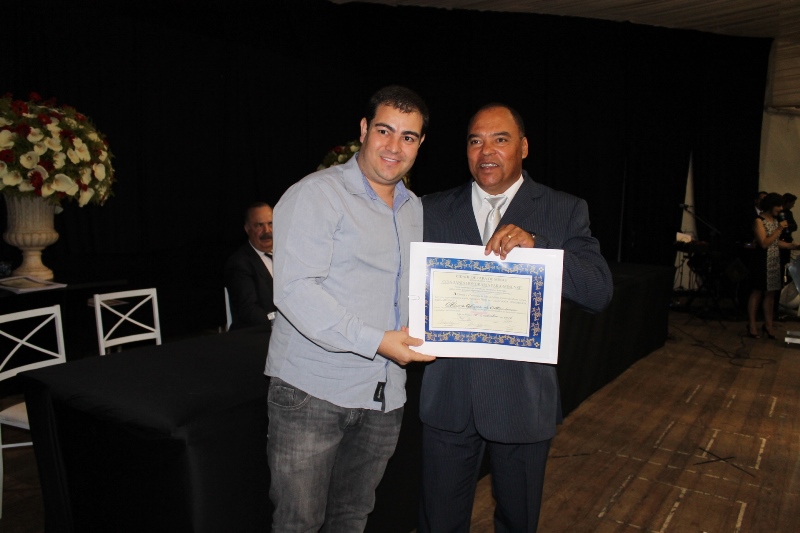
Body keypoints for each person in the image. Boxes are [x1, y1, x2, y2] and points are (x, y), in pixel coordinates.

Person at [418, 103, 613, 533]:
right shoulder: (430, 209)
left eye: (500, 139)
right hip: (449, 399)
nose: (486, 151)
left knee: (518, 523)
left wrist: (539, 250)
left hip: (522, 402)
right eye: (475, 140)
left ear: (523, 148)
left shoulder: (563, 209)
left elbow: (598, 291)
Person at [265, 85, 435, 532]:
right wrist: (377, 341)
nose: (394, 146)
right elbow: (295, 290)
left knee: (351, 519)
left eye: (408, 137)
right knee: (299, 524)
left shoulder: (414, 209)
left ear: (420, 144)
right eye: (384, 130)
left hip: (384, 396)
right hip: (312, 393)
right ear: (363, 130)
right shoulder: (316, 194)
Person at [747, 192, 800, 338]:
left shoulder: (776, 221)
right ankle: (752, 325)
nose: (781, 209)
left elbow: (776, 242)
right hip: (761, 261)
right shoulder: (759, 221)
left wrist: (793, 246)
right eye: (778, 206)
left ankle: (768, 325)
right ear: (771, 205)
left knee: (771, 294)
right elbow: (764, 243)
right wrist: (779, 229)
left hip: (774, 262)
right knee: (757, 292)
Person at [223, 202, 277, 331]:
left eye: (270, 224)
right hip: (258, 335)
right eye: (259, 225)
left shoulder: (287, 255)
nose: (267, 231)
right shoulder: (239, 264)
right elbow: (249, 312)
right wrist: (281, 323)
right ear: (247, 229)